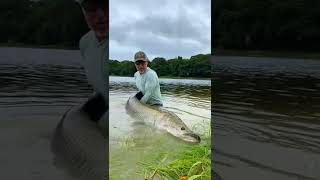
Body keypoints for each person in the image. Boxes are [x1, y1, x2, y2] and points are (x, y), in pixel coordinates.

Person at [76, 0, 108, 125]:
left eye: (106, 6)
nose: (100, 15)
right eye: (92, 8)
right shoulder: (85, 42)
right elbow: (99, 89)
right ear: (83, 10)